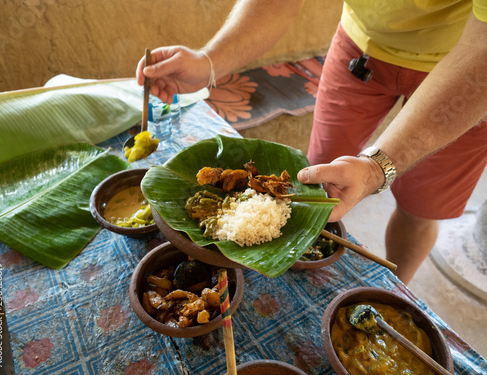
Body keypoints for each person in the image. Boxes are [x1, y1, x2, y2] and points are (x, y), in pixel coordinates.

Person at [136, 0, 487, 284]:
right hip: (361, 48)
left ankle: (397, 288)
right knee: (314, 185)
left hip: (465, 73)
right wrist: (210, 60)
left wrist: (378, 166)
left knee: (420, 209)